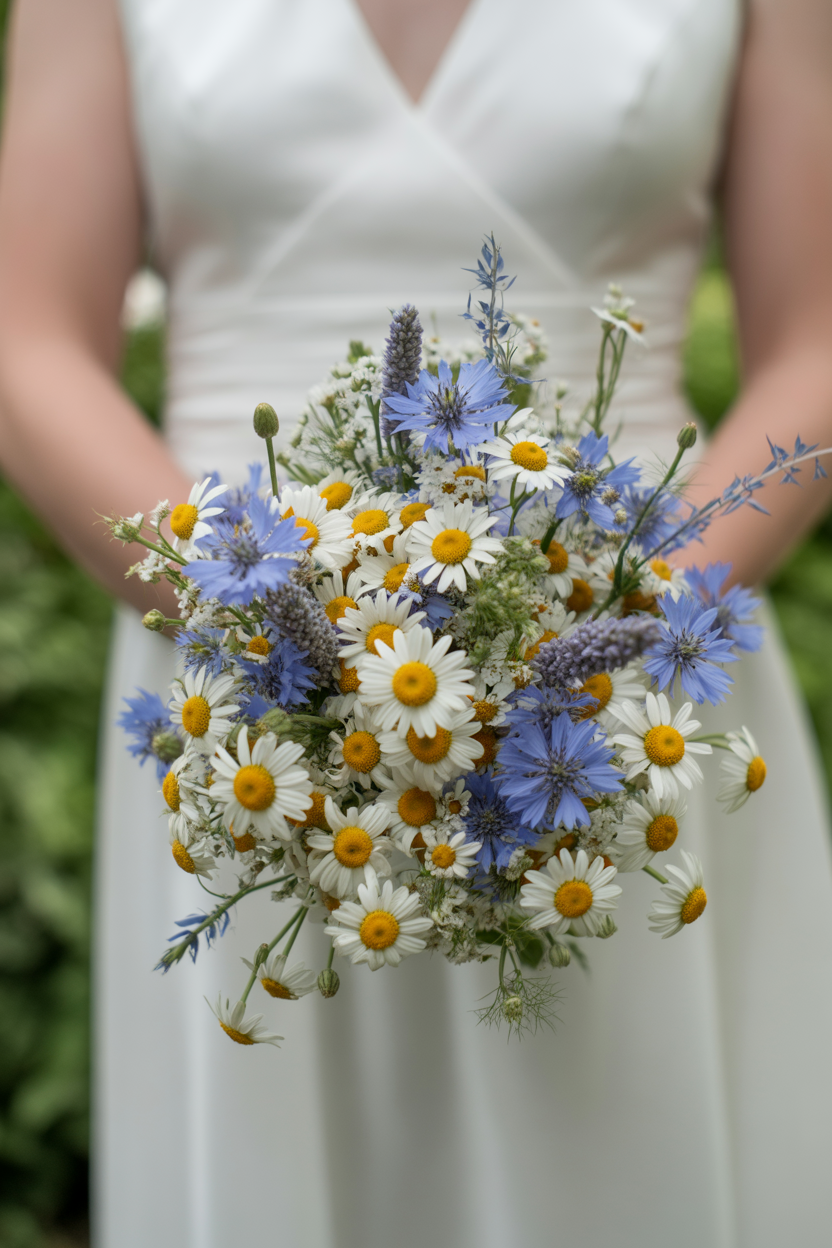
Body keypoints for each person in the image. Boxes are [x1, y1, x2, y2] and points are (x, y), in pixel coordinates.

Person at [1, 1, 831, 1244]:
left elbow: (817, 340)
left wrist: (620, 622)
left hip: (618, 712)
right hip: (248, 720)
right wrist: (262, 624)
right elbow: (28, 338)